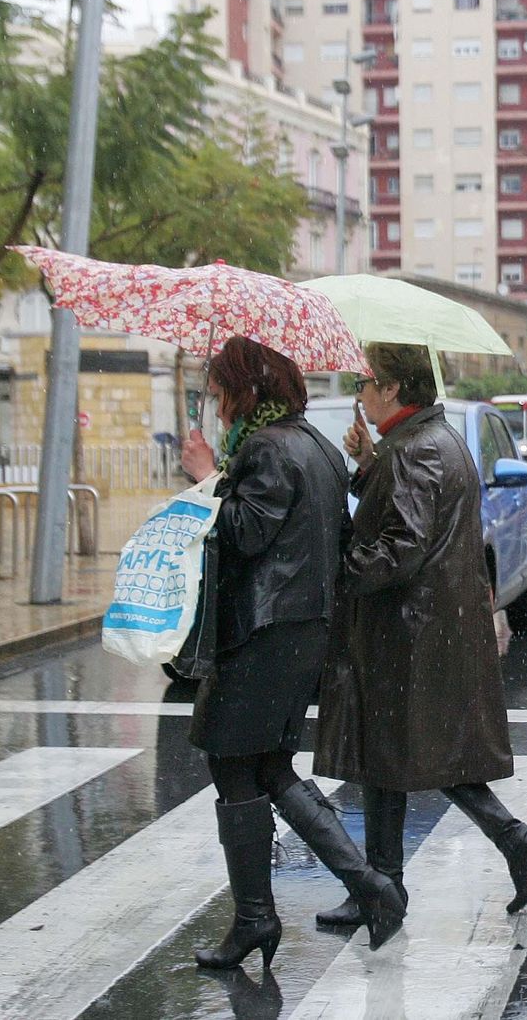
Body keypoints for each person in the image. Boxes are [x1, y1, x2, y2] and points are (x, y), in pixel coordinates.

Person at [315, 342, 527, 930]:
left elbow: (403, 544)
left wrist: (339, 569)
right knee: (400, 760)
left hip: (407, 633)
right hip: (426, 629)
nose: (360, 394)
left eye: (367, 382)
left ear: (396, 389)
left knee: (403, 758)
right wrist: (372, 465)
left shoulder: (416, 449)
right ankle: (390, 884)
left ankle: (489, 851)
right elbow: (414, 512)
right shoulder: (428, 440)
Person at [178, 336, 405, 970]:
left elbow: (247, 532)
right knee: (269, 770)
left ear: (247, 389)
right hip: (300, 631)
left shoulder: (268, 448)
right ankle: (356, 891)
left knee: (232, 764)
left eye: (220, 390)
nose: (215, 403)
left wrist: (204, 481)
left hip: (263, 633)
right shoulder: (315, 445)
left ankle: (269, 914)